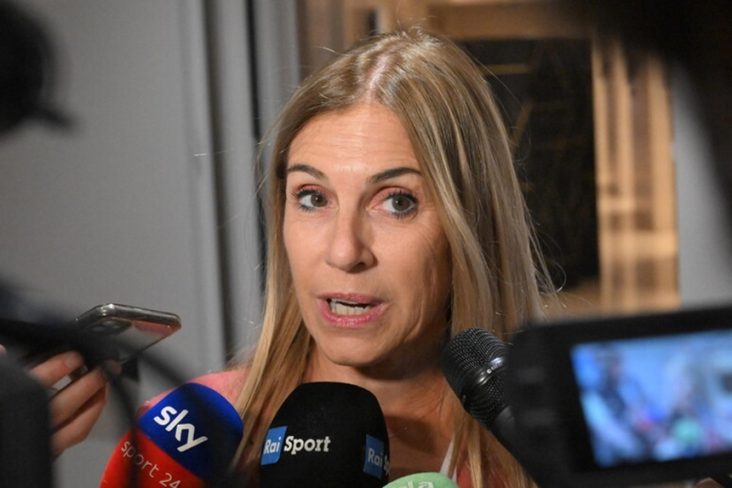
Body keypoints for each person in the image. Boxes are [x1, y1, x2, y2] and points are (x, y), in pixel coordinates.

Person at [43, 29, 553, 486]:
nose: (344, 251)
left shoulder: (549, 453)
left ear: (471, 225)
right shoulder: (183, 441)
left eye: (397, 202)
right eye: (312, 197)